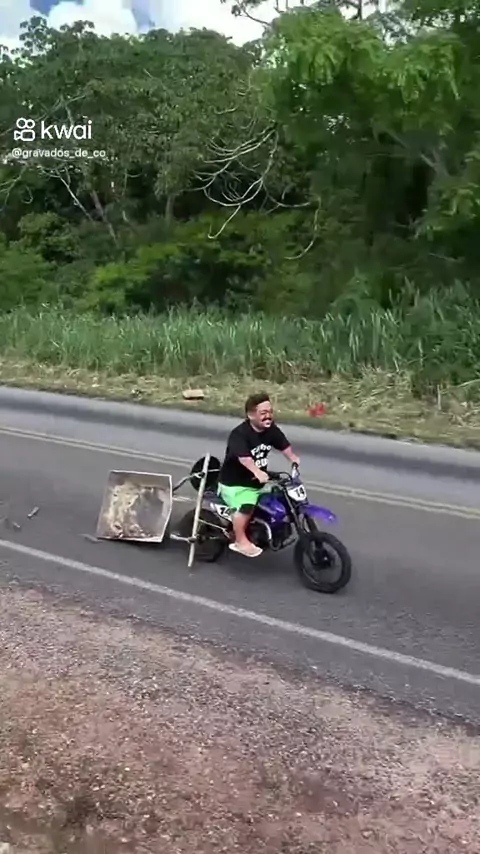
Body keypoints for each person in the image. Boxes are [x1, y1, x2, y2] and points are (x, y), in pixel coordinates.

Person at [218, 392, 300, 558]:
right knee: (247, 506)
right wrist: (257, 472)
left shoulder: (270, 430)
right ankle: (240, 541)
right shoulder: (239, 434)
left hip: (257, 481)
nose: (268, 416)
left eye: (270, 412)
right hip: (235, 484)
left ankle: (267, 530)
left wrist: (293, 458)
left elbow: (283, 445)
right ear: (251, 415)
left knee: (281, 497)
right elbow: (245, 459)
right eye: (263, 413)